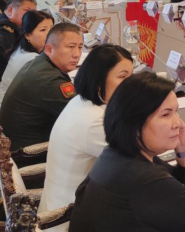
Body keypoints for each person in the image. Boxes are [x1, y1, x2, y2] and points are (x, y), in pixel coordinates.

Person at [69, 73, 185, 232]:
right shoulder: (143, 179)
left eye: (176, 111)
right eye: (166, 114)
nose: (177, 123)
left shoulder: (117, 155)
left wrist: (184, 147)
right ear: (134, 124)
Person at [39, 45, 134, 229]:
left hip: (61, 203)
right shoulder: (95, 121)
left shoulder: (82, 101)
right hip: (69, 218)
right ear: (99, 81)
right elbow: (134, 163)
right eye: (123, 77)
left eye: (131, 76)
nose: (131, 84)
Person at [0, 23, 83, 153]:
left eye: (80, 47)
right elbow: (82, 119)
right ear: (49, 49)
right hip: (29, 154)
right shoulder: (51, 82)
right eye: (70, 47)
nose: (77, 54)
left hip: (13, 144)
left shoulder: (38, 63)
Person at [0, 10, 53, 118]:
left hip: (1, 110)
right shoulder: (31, 59)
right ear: (27, 35)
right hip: (1, 118)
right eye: (43, 30)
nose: (50, 35)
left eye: (52, 29)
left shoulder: (22, 49)